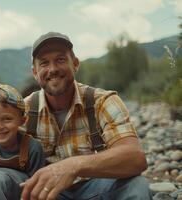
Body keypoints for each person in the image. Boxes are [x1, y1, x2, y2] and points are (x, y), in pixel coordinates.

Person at [20, 32, 151, 200]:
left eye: (60, 60)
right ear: (35, 72)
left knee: (136, 185)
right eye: (44, 63)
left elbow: (135, 158)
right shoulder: (23, 110)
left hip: (97, 190)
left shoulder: (102, 101)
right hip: (46, 194)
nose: (52, 69)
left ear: (75, 64)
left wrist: (74, 165)